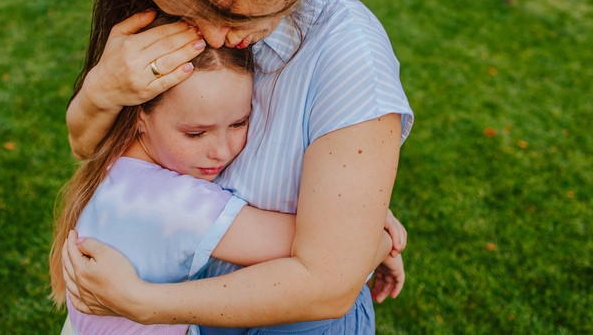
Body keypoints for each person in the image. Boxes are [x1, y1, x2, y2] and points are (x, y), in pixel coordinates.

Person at [62, 0, 414, 334]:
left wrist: (145, 304)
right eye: (187, 13)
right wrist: (103, 90)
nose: (207, 35)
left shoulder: (348, 56)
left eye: (224, 10)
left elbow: (328, 284)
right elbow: (87, 145)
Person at [51, 22, 406, 335]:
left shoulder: (117, 157)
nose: (221, 150)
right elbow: (336, 252)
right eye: (195, 133)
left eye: (238, 123)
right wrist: (377, 233)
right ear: (140, 114)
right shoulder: (175, 205)